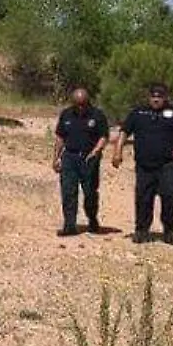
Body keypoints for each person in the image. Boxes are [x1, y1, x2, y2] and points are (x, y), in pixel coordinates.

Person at [112, 83, 173, 245]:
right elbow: (124, 132)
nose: (156, 99)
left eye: (159, 97)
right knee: (143, 197)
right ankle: (142, 230)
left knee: (171, 196)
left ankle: (170, 230)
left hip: (168, 164)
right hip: (144, 165)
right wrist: (117, 152)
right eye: (153, 96)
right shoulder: (138, 113)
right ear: (149, 97)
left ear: (165, 97)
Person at [52, 87, 109, 236]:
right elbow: (60, 137)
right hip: (69, 157)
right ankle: (69, 225)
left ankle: (92, 219)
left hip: (89, 158)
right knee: (68, 192)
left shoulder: (97, 115)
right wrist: (56, 158)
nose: (81, 107)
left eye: (83, 104)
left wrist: (95, 151)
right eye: (77, 104)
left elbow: (103, 137)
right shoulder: (66, 115)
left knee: (90, 192)